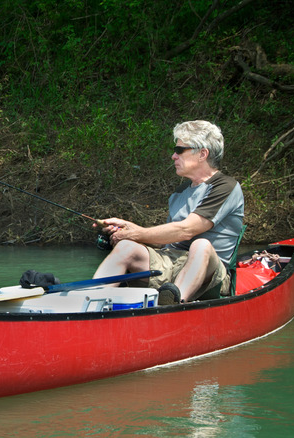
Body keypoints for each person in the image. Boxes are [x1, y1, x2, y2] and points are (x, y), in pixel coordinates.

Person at [93, 120, 244, 304]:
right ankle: (91, 301)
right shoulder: (179, 193)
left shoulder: (225, 187)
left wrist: (136, 233)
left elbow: (186, 230)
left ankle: (173, 305)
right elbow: (168, 240)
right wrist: (127, 229)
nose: (173, 156)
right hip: (171, 263)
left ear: (203, 154)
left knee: (201, 244)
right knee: (126, 247)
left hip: (212, 273)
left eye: (180, 150)